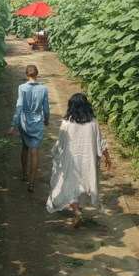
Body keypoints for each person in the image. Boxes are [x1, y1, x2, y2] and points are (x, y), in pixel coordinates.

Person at [46, 93, 112, 228]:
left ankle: (76, 211)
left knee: (70, 184)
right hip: (88, 160)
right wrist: (107, 156)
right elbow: (100, 142)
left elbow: (61, 142)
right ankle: (79, 211)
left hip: (72, 161)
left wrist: (57, 155)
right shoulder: (93, 123)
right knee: (84, 186)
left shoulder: (67, 122)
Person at [7, 65, 50, 193]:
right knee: (35, 153)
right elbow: (46, 108)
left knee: (25, 147)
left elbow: (19, 106)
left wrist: (13, 125)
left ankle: (24, 174)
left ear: (27, 75)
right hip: (37, 122)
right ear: (37, 74)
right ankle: (31, 183)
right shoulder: (43, 89)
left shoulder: (22, 88)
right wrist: (46, 120)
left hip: (24, 122)